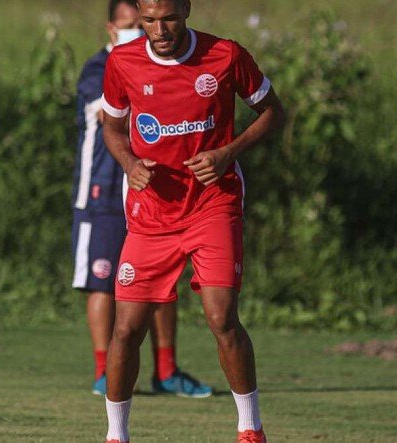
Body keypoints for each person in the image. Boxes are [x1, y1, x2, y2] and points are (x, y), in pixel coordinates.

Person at [99, 0, 285, 441]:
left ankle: (250, 430)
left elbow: (274, 112)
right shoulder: (122, 61)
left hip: (212, 205)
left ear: (186, 10)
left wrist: (227, 153)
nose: (159, 29)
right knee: (126, 329)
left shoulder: (225, 55)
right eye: (148, 20)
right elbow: (112, 126)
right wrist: (128, 162)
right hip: (151, 213)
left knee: (222, 319)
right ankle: (115, 435)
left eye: (168, 18)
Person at [71, 0, 212, 399]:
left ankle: (166, 371)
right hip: (102, 189)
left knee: (161, 284)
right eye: (133, 24)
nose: (146, 30)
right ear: (111, 29)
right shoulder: (101, 68)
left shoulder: (165, 61)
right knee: (102, 283)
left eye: (147, 22)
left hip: (153, 189)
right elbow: (110, 114)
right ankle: (104, 372)